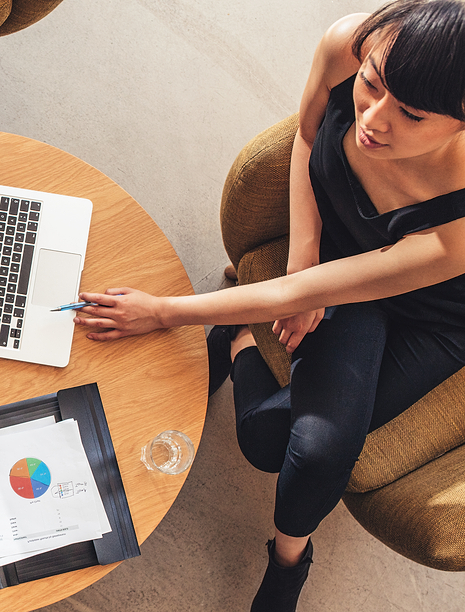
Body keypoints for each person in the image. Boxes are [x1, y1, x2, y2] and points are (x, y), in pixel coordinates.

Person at [74, 1, 465, 609]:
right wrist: (304, 252)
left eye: (411, 114)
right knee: (311, 449)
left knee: (274, 442)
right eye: (371, 85)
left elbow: (307, 296)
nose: (374, 119)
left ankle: (287, 559)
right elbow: (308, 135)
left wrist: (163, 310)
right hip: (338, 257)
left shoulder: (459, 224)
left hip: (432, 311)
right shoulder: (350, 41)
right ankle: (240, 352)